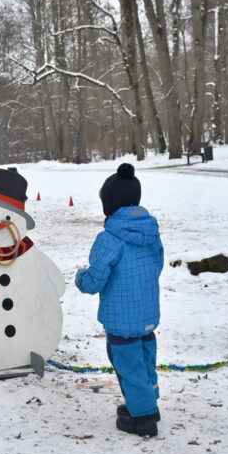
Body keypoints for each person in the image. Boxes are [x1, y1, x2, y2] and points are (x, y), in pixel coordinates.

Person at [75, 164, 164, 437]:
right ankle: (148, 403)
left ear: (109, 204)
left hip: (121, 319)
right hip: (148, 314)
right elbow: (157, 266)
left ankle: (144, 419)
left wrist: (81, 278)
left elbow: (96, 280)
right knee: (146, 361)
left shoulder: (109, 239)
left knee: (129, 367)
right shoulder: (151, 233)